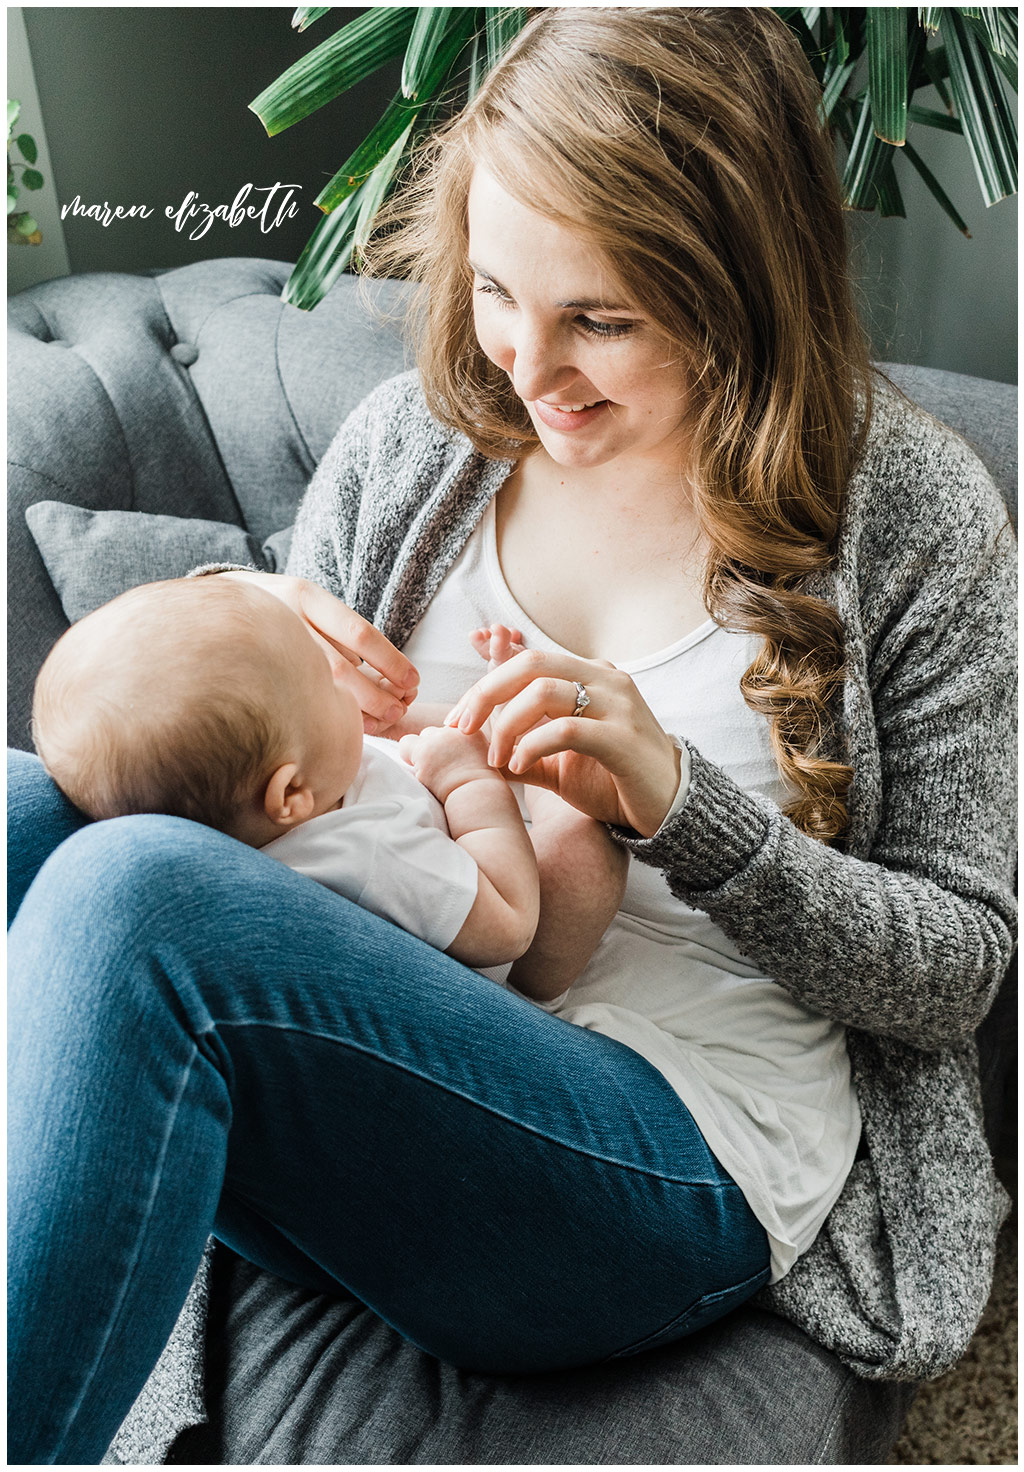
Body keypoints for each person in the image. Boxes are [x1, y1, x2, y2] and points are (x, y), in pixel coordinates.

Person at [8, 8, 1015, 1465]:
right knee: (24, 817)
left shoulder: (919, 525)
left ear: (743, 283)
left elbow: (957, 973)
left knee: (127, 896)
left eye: (601, 318)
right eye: (496, 294)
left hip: (675, 1146)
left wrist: (683, 807)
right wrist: (245, 608)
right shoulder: (424, 444)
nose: (530, 372)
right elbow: (280, 789)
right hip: (409, 1035)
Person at [28, 575, 624, 997]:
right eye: (325, 681)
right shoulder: (365, 858)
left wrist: (487, 714)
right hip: (503, 980)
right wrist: (470, 781)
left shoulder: (282, 787)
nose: (347, 685)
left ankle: (525, 725)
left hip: (441, 858)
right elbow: (511, 923)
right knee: (582, 837)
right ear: (290, 795)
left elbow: (380, 744)